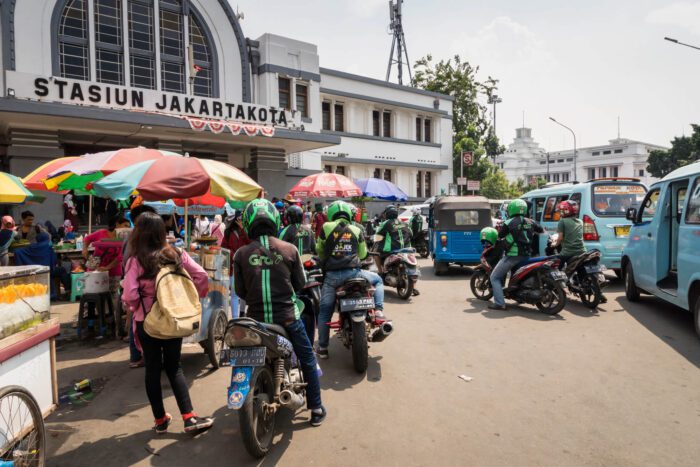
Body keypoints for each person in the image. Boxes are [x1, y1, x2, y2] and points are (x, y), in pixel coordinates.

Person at [232, 199, 327, 426]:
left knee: (240, 356)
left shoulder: (241, 254)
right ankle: (315, 408)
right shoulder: (289, 249)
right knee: (307, 358)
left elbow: (240, 291)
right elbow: (300, 284)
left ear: (248, 223)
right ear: (275, 220)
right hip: (287, 318)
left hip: (254, 322)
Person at [122, 212, 214, 434]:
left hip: (147, 323)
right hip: (174, 320)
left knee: (152, 370)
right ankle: (189, 417)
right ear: (162, 233)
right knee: (174, 367)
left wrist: (138, 307)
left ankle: (160, 420)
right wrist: (193, 299)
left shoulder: (136, 261)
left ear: (139, 234)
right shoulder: (176, 254)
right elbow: (201, 276)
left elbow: (130, 295)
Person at [315, 201, 386, 360]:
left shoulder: (326, 227)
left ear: (331, 213)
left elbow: (320, 251)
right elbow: (362, 255)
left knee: (325, 311)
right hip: (355, 274)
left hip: (332, 277)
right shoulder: (356, 229)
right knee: (378, 280)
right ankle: (379, 310)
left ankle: (323, 348)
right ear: (349, 213)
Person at [489, 199, 543, 310]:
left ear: (512, 209)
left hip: (512, 256)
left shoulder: (509, 222)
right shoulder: (530, 221)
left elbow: (499, 236)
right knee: (515, 275)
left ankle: (499, 303)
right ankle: (518, 296)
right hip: (527, 255)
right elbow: (541, 231)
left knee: (494, 277)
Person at [123, 204, 157, 369]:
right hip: (142, 301)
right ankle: (136, 356)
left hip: (142, 304)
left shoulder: (137, 243)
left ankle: (140, 356)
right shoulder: (133, 244)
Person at [13, 232, 71, 299]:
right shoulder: (48, 247)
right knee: (62, 270)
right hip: (48, 270)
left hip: (35, 271)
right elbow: (54, 261)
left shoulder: (31, 247)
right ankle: (68, 291)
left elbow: (17, 251)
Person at [222, 211, 250, 317]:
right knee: (234, 293)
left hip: (245, 266)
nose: (241, 221)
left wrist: (243, 230)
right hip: (233, 266)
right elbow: (224, 248)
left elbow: (250, 242)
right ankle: (234, 318)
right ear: (235, 220)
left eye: (242, 219)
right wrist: (232, 255)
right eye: (239, 219)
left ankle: (242, 313)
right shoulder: (229, 232)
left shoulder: (246, 231)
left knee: (244, 293)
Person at [373, 205, 413, 275]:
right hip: (407, 249)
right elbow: (411, 234)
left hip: (391, 250)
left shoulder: (386, 223)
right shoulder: (404, 223)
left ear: (386, 214)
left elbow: (377, 235)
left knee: (375, 253)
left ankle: (380, 272)